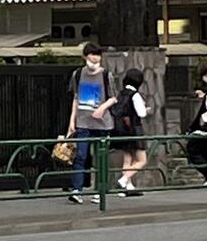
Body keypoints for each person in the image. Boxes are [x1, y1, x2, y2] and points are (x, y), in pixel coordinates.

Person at [64, 42, 113, 203]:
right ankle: (77, 189)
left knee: (101, 158)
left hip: (102, 123)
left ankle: (100, 191)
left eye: (97, 55)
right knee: (80, 156)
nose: (95, 58)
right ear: (85, 56)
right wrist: (72, 121)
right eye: (92, 54)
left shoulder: (106, 75)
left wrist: (102, 108)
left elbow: (113, 97)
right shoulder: (78, 74)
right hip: (83, 122)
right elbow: (76, 98)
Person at [110, 67, 151, 197]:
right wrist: (146, 109)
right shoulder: (135, 95)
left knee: (128, 159)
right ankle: (123, 181)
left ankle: (128, 187)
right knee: (142, 160)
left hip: (122, 131)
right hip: (135, 130)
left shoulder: (121, 94)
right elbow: (141, 113)